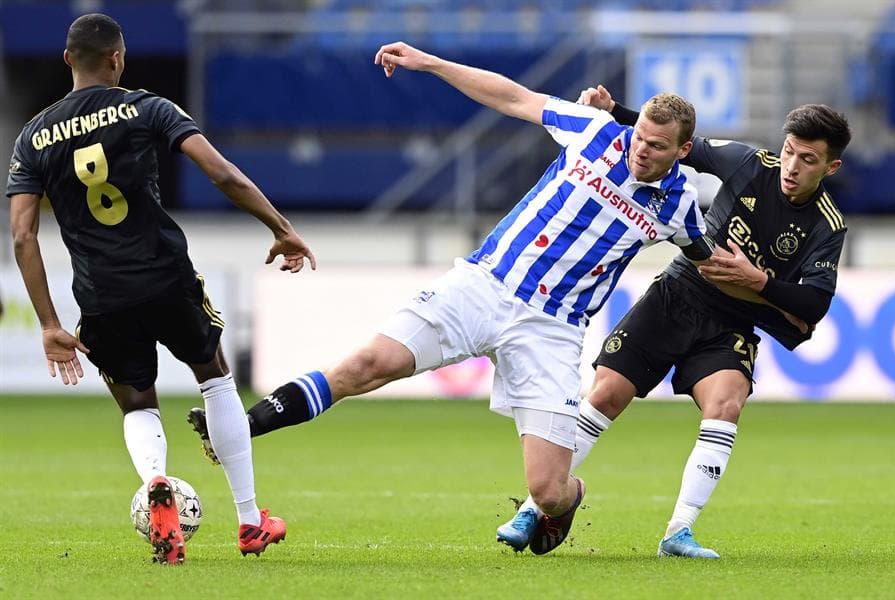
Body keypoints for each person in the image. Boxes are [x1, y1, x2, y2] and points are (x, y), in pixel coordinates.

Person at [190, 41, 716, 553]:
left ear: (682, 151)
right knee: (369, 363)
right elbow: (513, 97)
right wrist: (429, 63)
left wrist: (771, 290)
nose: (641, 151)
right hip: (482, 285)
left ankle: (568, 501)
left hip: (552, 328)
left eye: (656, 147)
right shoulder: (598, 131)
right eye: (640, 138)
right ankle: (242, 424)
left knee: (547, 491)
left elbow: (706, 256)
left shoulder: (680, 205)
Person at [7, 13, 316, 565]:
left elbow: (23, 235)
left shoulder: (33, 136)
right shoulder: (147, 106)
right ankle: (249, 521)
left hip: (100, 294)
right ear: (118, 59)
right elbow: (222, 174)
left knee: (136, 404)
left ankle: (156, 483)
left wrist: (52, 324)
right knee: (216, 379)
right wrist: (280, 227)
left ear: (66, 61)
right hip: (166, 274)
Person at [498, 84, 852, 558]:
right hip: (677, 294)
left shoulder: (827, 226)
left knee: (726, 405)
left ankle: (678, 533)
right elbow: (686, 145)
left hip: (733, 321)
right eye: (789, 151)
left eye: (808, 160)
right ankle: (534, 509)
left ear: (832, 167)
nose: (792, 167)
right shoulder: (750, 164)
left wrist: (758, 281)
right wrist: (614, 111)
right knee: (604, 395)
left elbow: (815, 305)